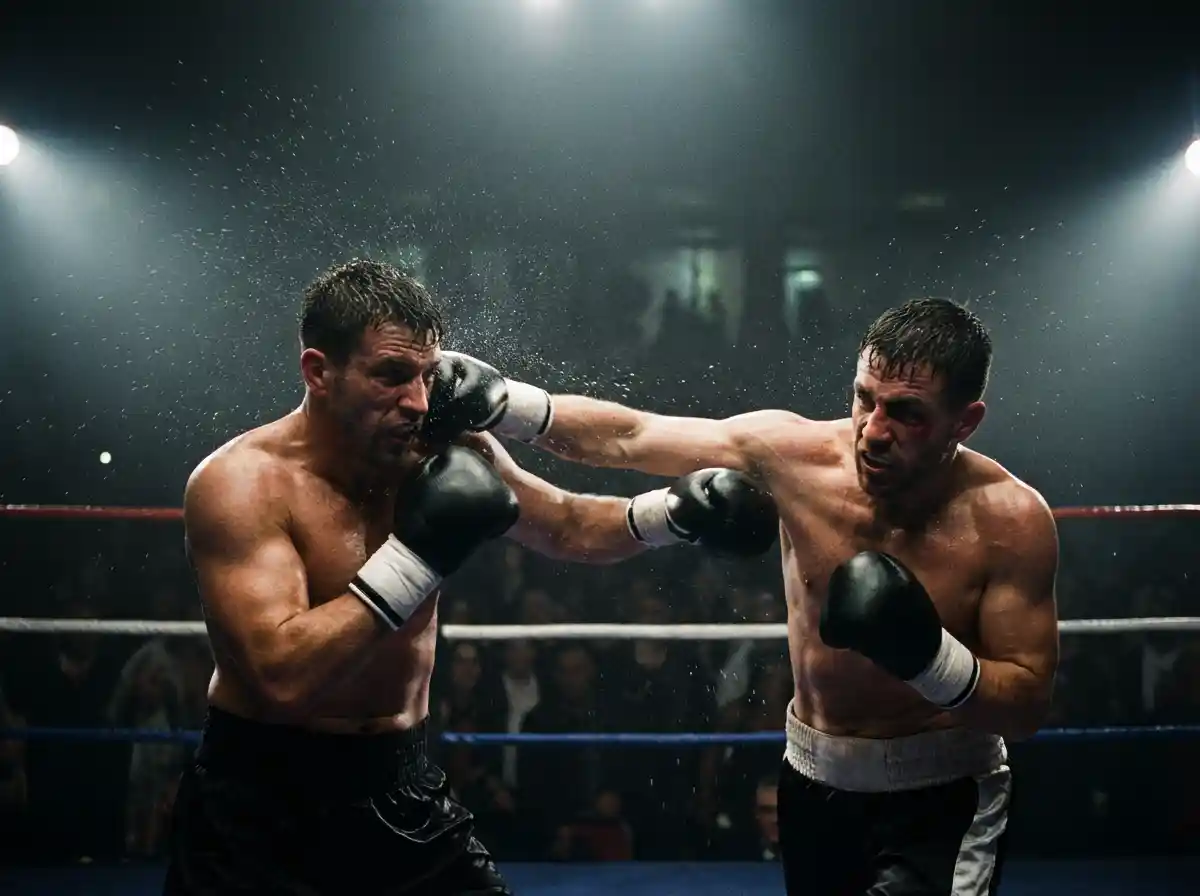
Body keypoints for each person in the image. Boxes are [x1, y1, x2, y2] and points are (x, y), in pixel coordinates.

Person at [163, 259, 778, 896]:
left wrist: (669, 514)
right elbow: (279, 677)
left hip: (399, 784)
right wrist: (417, 557)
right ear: (318, 372)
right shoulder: (241, 483)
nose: (418, 402)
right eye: (391, 376)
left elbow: (564, 524)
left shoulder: (435, 449)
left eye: (428, 375)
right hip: (260, 804)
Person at [424, 297, 1060, 895]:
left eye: (906, 413)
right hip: (813, 778)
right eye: (865, 399)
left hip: (943, 793)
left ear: (965, 419)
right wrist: (509, 403)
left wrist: (927, 658)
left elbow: (1026, 708)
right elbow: (633, 436)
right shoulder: (796, 455)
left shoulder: (1009, 521)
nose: (872, 431)